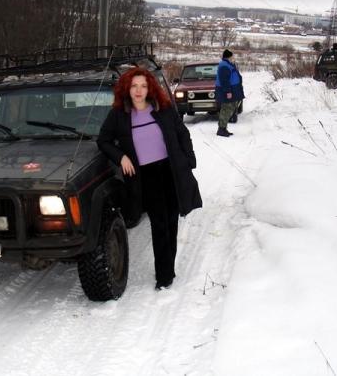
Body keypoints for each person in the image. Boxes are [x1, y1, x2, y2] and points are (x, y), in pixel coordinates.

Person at [97, 67, 202, 290]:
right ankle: (163, 276)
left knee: (172, 220)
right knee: (159, 223)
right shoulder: (119, 114)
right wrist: (121, 157)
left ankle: (168, 269)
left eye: (143, 86)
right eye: (134, 86)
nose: (139, 90)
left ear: (150, 88)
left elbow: (182, 133)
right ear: (127, 88)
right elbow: (103, 141)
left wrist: (188, 160)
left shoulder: (163, 108)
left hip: (170, 170)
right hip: (146, 175)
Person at [215, 49, 245, 137]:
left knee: (229, 109)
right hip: (227, 91)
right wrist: (228, 92)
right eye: (232, 56)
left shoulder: (228, 64)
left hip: (232, 90)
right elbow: (224, 80)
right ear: (228, 57)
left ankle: (223, 128)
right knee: (226, 109)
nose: (233, 58)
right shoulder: (224, 66)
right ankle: (221, 129)